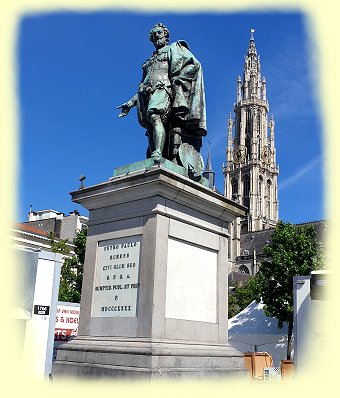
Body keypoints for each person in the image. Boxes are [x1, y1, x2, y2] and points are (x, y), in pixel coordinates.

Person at [117, 23, 207, 163]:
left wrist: (179, 79)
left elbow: (194, 64)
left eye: (159, 33)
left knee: (155, 116)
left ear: (166, 36)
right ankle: (157, 154)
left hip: (163, 88)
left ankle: (158, 153)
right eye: (153, 35)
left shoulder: (175, 49)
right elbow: (142, 85)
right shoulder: (149, 61)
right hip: (147, 94)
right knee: (151, 128)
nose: (156, 37)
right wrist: (130, 103)